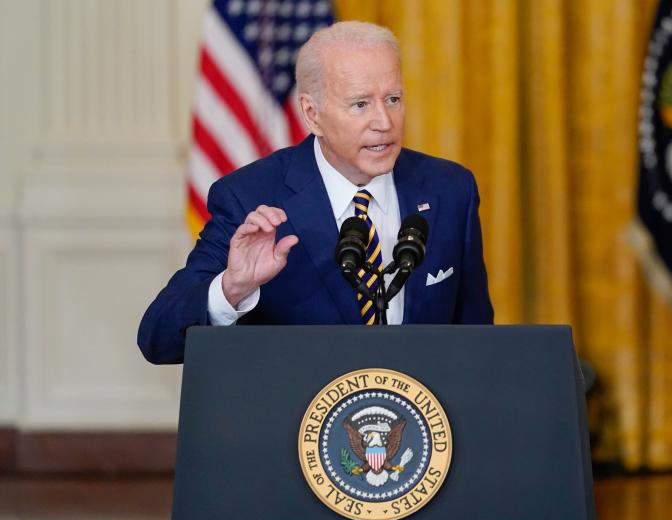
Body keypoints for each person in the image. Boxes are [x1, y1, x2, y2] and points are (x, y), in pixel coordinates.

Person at [138, 21, 494, 365]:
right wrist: (232, 288)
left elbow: (477, 342)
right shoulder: (250, 198)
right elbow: (158, 338)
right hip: (298, 421)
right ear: (312, 115)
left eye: (393, 99)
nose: (385, 122)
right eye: (360, 104)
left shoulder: (450, 190)